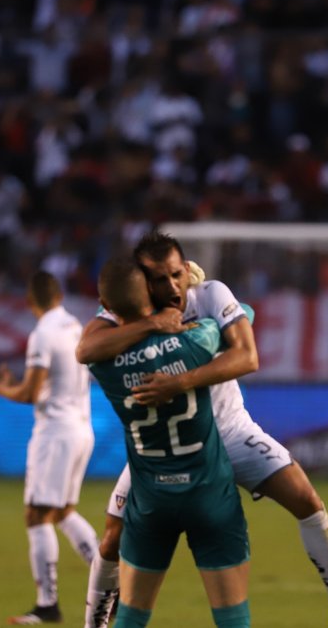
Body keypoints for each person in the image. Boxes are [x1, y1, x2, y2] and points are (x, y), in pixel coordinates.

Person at [78, 231, 328, 628]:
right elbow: (85, 349)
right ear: (142, 282)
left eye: (175, 274)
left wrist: (181, 381)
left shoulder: (212, 294)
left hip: (231, 431)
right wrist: (151, 322)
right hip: (169, 448)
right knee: (113, 538)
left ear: (187, 270)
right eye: (158, 279)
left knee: (307, 499)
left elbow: (247, 357)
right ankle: (94, 624)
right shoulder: (130, 311)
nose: (171, 286)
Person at [88, 258, 251, 628]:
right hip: (208, 492)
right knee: (232, 618)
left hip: (151, 497)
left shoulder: (102, 363)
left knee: (130, 615)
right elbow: (241, 319)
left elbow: (87, 348)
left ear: (109, 310)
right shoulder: (191, 343)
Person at [0, 272, 99, 625]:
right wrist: (10, 383)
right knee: (63, 512)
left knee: (36, 515)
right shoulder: (75, 325)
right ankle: (111, 581)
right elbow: (41, 386)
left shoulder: (42, 333)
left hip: (55, 433)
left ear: (30, 301)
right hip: (82, 428)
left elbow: (29, 393)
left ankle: (47, 605)